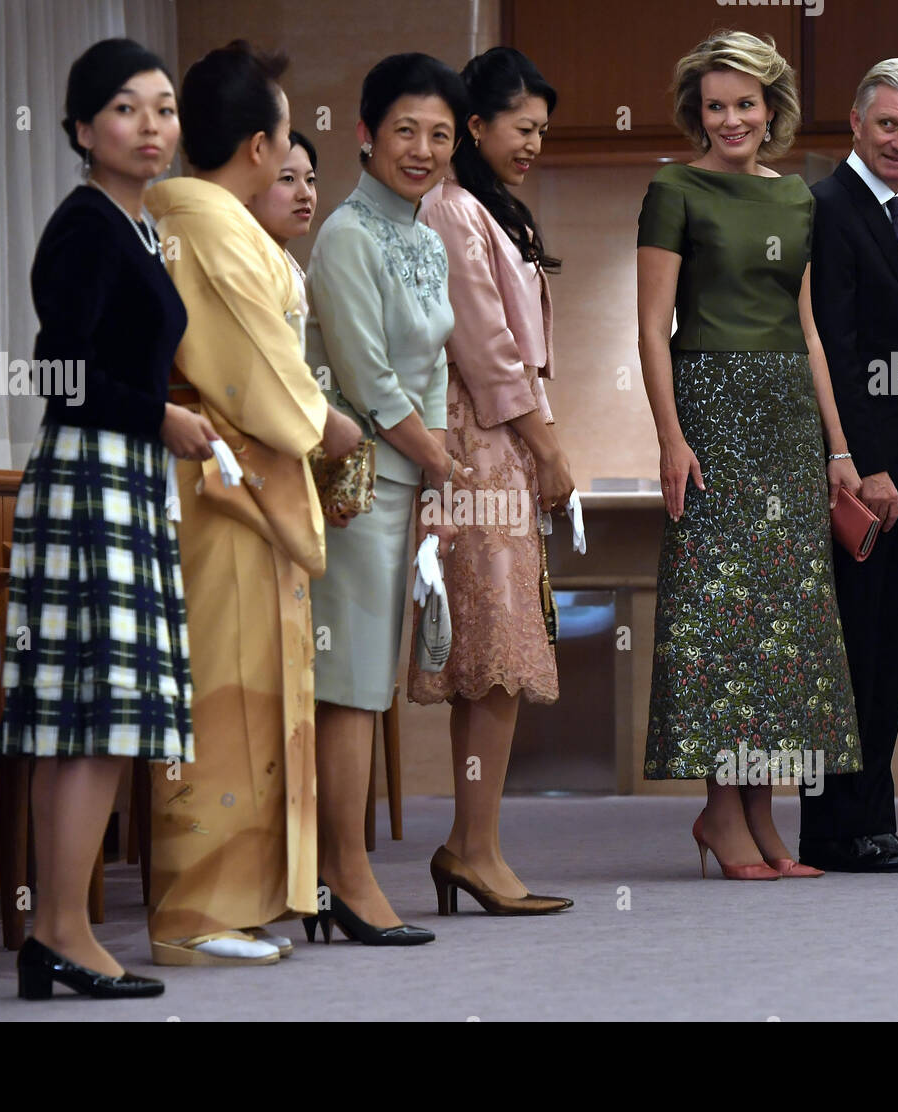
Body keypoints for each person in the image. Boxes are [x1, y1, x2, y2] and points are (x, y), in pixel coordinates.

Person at [0, 38, 219, 999]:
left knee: (89, 716)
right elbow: (60, 371)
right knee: (89, 718)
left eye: (164, 109)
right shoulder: (87, 225)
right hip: (93, 473)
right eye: (127, 110)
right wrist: (159, 413)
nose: (151, 126)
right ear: (84, 130)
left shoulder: (133, 226)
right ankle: (61, 928)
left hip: (118, 472)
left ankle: (57, 929)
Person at [143, 40, 363, 965]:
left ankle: (243, 896)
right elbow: (255, 372)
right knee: (225, 689)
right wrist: (324, 424)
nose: (289, 158)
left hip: (235, 475)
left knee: (254, 689)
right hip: (219, 483)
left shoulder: (204, 217)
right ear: (258, 143)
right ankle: (196, 912)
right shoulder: (211, 225)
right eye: (282, 135)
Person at [637, 30, 863, 879]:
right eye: (714, 105)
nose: (730, 118)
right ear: (696, 112)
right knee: (721, 624)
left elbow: (808, 333)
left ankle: (764, 820)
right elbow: (651, 330)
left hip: (785, 423)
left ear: (772, 109)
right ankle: (718, 815)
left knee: (783, 628)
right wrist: (670, 435)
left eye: (745, 104)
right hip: (712, 413)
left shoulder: (798, 199)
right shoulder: (673, 189)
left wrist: (837, 448)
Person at [303, 53, 470, 944]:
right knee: (352, 684)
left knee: (373, 680)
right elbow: (366, 380)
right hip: (355, 483)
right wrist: (438, 459)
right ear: (366, 134)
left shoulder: (428, 235)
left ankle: (343, 871)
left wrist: (439, 482)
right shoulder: (346, 234)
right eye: (405, 129)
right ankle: (342, 872)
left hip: (411, 481)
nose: (423, 148)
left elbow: (435, 363)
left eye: (440, 133)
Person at [408, 47, 573, 915]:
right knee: (490, 655)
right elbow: (487, 351)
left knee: (496, 657)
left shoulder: (483, 208)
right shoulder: (450, 211)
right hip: (477, 447)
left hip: (497, 443)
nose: (534, 143)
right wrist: (549, 449)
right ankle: (472, 848)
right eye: (522, 126)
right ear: (477, 125)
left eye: (543, 130)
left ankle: (476, 846)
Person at [799, 59, 898, 873]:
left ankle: (873, 823)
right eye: (887, 124)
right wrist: (860, 462)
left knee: (885, 653)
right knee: (853, 652)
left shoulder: (889, 212)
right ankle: (836, 831)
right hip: (866, 480)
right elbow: (839, 348)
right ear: (856, 123)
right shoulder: (830, 208)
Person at [246, 129, 319, 351]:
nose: (305, 193)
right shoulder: (248, 263)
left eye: (310, 180)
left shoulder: (283, 258)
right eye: (288, 178)